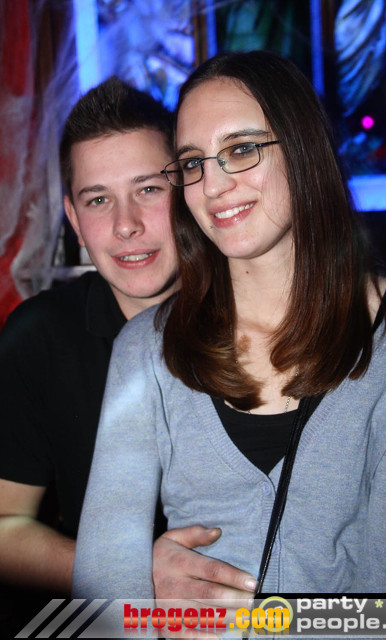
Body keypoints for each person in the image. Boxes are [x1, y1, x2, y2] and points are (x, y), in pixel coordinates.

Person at [72, 50, 386, 602]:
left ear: (304, 148)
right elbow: (102, 596)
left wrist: (252, 622)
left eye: (240, 149)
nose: (213, 186)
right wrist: (150, 608)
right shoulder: (144, 350)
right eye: (193, 163)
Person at [0, 77, 255, 625]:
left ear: (189, 189)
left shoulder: (265, 317)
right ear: (74, 220)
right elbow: (4, 526)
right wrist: (132, 575)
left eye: (148, 189)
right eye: (98, 200)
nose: (125, 226)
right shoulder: (37, 338)